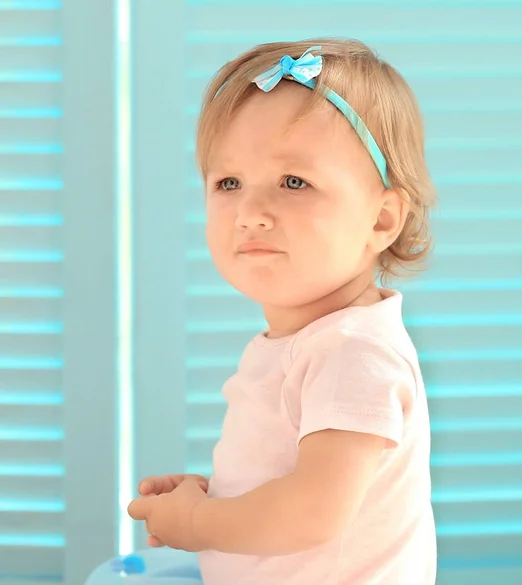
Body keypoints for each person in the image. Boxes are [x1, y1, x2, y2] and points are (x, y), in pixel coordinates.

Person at [128, 38, 437, 585]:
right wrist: (221, 496)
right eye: (228, 183)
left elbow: (314, 512)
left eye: (294, 182)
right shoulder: (313, 341)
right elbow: (297, 481)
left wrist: (201, 522)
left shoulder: (353, 353)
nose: (250, 212)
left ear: (382, 221)